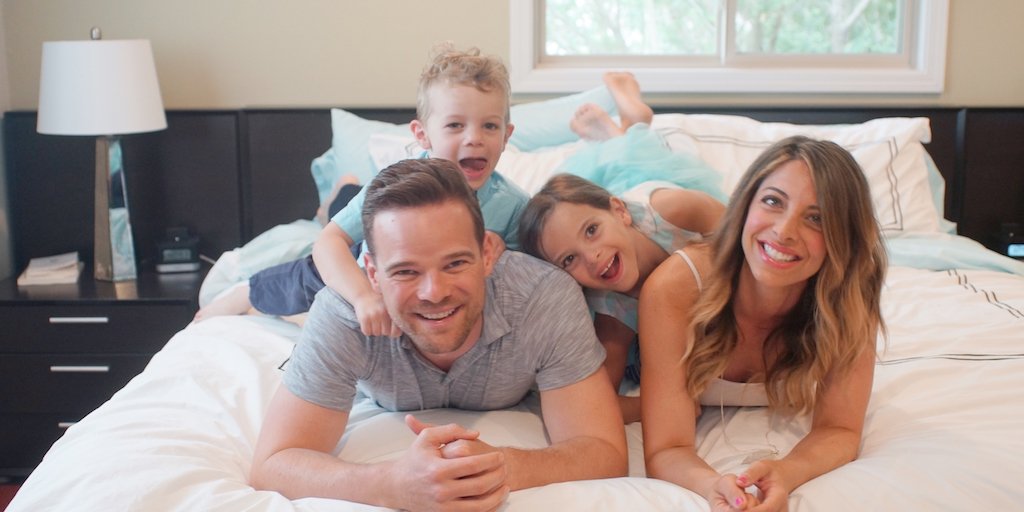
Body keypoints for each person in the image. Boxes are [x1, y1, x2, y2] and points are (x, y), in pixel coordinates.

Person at [249, 158, 627, 510]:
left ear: (489, 253)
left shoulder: (544, 297)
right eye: (406, 272)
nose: (435, 292)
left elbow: (604, 450)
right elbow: (273, 463)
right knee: (279, 292)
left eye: (455, 263)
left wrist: (501, 466)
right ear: (373, 273)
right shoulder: (342, 314)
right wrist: (391, 483)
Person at [195, 45, 529, 330]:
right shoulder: (394, 187)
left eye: (490, 125)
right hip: (363, 260)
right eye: (455, 125)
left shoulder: (513, 206)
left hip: (417, 295)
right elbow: (330, 242)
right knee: (301, 280)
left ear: (506, 136)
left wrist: (505, 251)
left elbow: (527, 273)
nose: (474, 137)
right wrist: (361, 295)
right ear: (422, 135)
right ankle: (248, 294)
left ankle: (340, 196)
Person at [638, 135, 887, 511]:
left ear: (843, 239)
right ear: (744, 205)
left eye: (816, 218)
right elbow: (667, 446)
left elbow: (840, 428)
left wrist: (785, 472)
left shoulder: (848, 298)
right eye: (773, 201)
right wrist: (714, 487)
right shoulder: (676, 286)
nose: (784, 231)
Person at [518, 72, 727, 423]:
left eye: (591, 232)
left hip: (642, 193)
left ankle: (632, 123)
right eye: (569, 260)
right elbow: (598, 402)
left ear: (619, 211)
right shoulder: (611, 307)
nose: (592, 256)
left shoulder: (674, 209)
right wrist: (653, 407)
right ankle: (614, 137)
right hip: (612, 214)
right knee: (583, 206)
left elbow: (745, 242)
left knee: (632, 157)